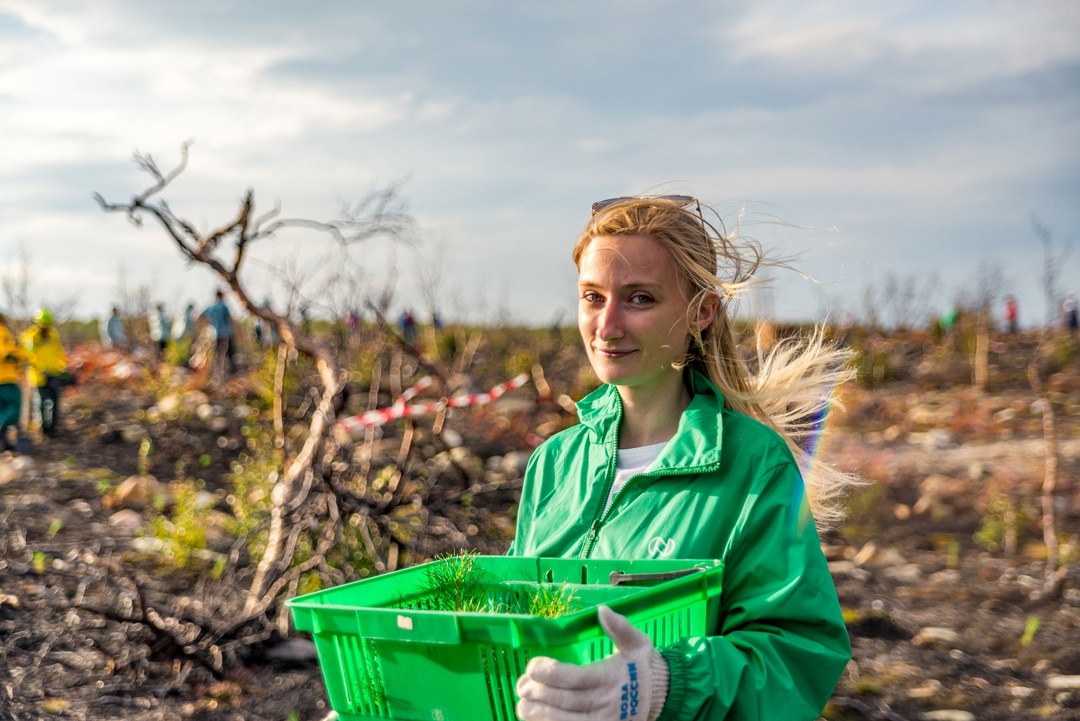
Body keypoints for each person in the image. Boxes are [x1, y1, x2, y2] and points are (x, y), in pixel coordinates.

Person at [510, 196, 856, 721]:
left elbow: (798, 656)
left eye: (640, 299)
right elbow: (512, 629)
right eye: (591, 297)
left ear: (702, 312)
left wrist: (664, 684)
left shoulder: (753, 465)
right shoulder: (555, 463)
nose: (607, 326)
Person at [21, 308, 68, 436]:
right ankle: (43, 428)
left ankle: (52, 428)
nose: (46, 328)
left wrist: (62, 364)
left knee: (55, 401)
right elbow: (29, 355)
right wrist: (41, 367)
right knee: (41, 401)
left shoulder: (53, 334)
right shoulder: (30, 336)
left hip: (54, 373)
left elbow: (59, 351)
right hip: (39, 375)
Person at [0, 311, 26, 452]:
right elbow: (3, 352)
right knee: (16, 405)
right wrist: (15, 356)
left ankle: (4, 443)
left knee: (2, 408)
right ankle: (1, 427)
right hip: (5, 378)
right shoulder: (2, 331)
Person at [198, 290, 236, 378]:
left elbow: (198, 316)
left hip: (215, 334)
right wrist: (235, 331)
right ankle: (230, 373)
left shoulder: (211, 307)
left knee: (216, 353)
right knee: (229, 354)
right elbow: (229, 319)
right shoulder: (223, 306)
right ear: (221, 296)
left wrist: (208, 323)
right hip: (226, 333)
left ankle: (216, 372)